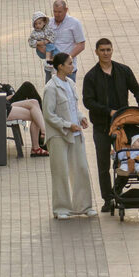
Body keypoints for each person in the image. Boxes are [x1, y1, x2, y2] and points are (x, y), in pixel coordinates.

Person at [80, 38, 139, 214]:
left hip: (122, 126)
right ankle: (107, 199)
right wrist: (108, 111)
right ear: (96, 52)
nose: (106, 53)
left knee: (126, 158)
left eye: (108, 50)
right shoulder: (91, 76)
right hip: (101, 126)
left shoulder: (123, 70)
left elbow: (137, 88)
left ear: (112, 50)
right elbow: (88, 101)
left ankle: (117, 189)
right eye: (102, 50)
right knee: (103, 164)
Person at [43, 52, 97, 219]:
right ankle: (61, 208)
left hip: (75, 133)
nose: (72, 66)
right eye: (69, 63)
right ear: (60, 66)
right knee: (60, 171)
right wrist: (67, 125)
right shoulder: (51, 88)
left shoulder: (71, 83)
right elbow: (49, 114)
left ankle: (84, 206)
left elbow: (74, 107)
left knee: (81, 169)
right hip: (59, 136)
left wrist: (81, 118)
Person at [0, 51, 49, 156]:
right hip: (2, 110)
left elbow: (0, 93)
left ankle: (42, 135)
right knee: (35, 113)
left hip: (1, 106)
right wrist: (10, 95)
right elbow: (0, 96)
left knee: (34, 103)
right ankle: (38, 143)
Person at [48, 0, 86, 80]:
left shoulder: (74, 23)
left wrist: (66, 59)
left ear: (66, 10)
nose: (57, 14)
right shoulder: (48, 23)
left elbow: (81, 45)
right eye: (55, 11)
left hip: (68, 70)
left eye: (60, 12)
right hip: (51, 68)